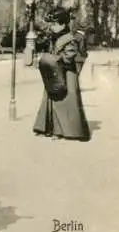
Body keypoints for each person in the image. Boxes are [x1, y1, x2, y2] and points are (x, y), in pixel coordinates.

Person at [33, 7, 91, 141]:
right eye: (51, 24)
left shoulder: (70, 38)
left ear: (63, 24)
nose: (51, 27)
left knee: (65, 102)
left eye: (54, 24)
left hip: (67, 73)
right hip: (56, 71)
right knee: (51, 98)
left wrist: (52, 58)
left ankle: (67, 131)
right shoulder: (55, 37)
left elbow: (68, 57)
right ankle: (47, 127)